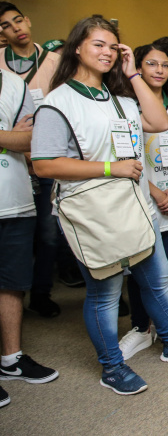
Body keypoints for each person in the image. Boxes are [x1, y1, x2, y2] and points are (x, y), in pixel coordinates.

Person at [31, 16, 168, 395]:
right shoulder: (58, 102)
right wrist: (110, 168)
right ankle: (112, 367)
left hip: (136, 207)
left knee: (158, 280)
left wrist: (132, 74)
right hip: (95, 211)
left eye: (113, 46)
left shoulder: (119, 97)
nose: (106, 52)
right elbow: (44, 163)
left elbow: (160, 120)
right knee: (106, 292)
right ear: (76, 47)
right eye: (97, 44)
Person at [118, 43, 168, 366]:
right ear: (137, 67)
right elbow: (125, 155)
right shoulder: (124, 104)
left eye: (165, 64)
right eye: (151, 64)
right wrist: (154, 192)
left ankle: (163, 329)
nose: (159, 70)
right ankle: (142, 326)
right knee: (141, 266)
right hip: (145, 195)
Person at [0, 1, 73, 318]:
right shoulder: (1, 65)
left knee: (47, 230)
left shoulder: (55, 61)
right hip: (12, 162)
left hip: (44, 156)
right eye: (5, 25)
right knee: (17, 232)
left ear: (28, 21)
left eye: (18, 20)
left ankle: (40, 293)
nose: (15, 27)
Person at [0, 67, 58, 408]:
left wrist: (14, 137)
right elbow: (16, 138)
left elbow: (31, 140)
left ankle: (11, 358)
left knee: (12, 282)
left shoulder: (14, 84)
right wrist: (8, 134)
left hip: (16, 199)